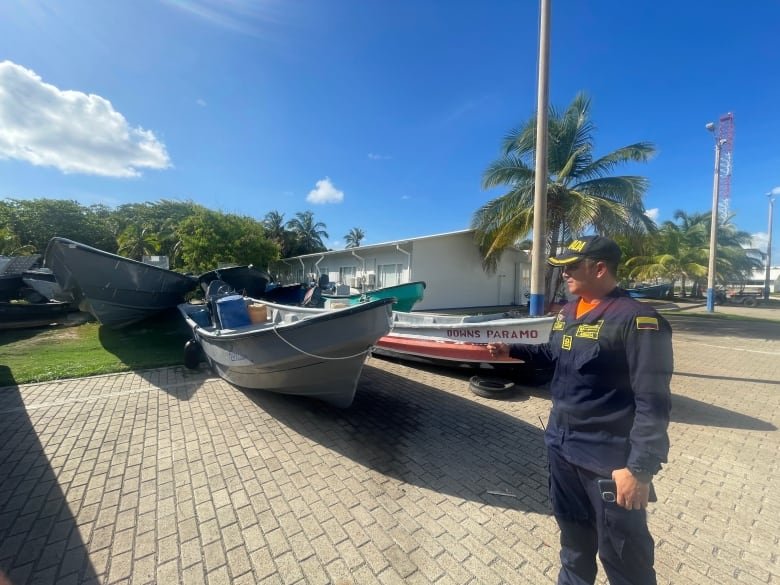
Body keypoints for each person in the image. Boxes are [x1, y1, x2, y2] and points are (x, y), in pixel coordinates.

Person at [487, 235, 673, 585]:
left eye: (572, 267)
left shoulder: (638, 321)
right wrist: (511, 348)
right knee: (573, 547)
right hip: (562, 450)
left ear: (600, 268)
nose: (565, 274)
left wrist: (640, 470)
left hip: (608, 463)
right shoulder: (569, 312)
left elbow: (654, 403)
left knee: (624, 559)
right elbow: (554, 356)